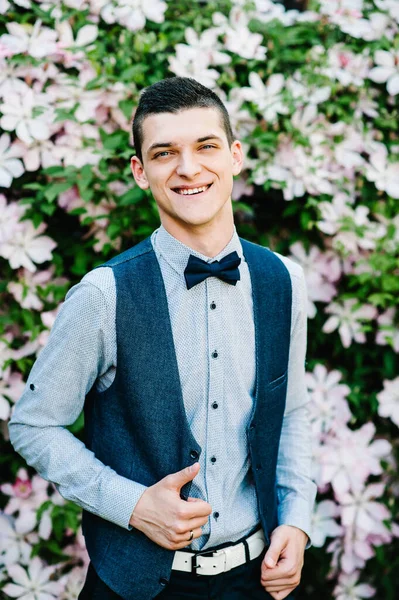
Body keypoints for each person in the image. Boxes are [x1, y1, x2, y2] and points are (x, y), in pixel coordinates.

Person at [8, 76, 317, 600]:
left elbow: (291, 414)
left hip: (255, 579)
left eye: (206, 146)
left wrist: (296, 520)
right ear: (140, 171)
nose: (189, 168)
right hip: (135, 584)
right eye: (165, 152)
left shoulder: (284, 280)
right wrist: (131, 504)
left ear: (235, 156)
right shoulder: (104, 295)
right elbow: (34, 425)